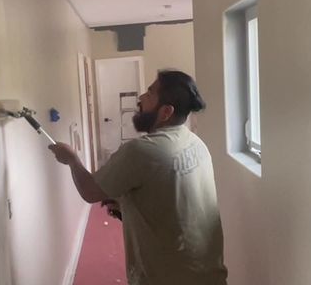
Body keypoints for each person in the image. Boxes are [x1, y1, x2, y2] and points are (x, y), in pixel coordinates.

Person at [48, 70, 228, 285]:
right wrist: (126, 204)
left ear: (166, 112)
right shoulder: (194, 142)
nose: (141, 98)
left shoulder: (140, 151)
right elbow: (174, 195)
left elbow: (90, 191)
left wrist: (72, 159)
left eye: (150, 94)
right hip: (207, 272)